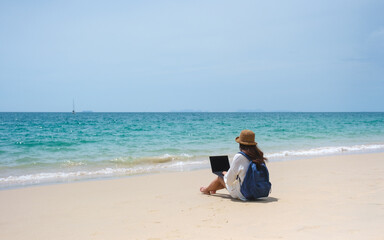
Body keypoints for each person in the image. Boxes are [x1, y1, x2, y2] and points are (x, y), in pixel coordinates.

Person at [200, 129, 268, 201]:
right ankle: (212, 189)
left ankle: (207, 189)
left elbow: (229, 181)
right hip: (258, 192)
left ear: (240, 144)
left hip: (244, 194)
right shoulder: (259, 156)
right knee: (228, 179)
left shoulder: (239, 156)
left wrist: (226, 174)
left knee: (220, 177)